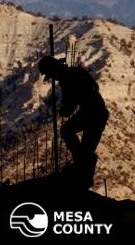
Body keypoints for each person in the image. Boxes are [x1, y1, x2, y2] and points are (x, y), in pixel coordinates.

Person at [38, 56, 109, 188]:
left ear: (54, 70)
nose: (53, 78)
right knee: (86, 149)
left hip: (92, 113)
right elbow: (94, 87)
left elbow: (69, 106)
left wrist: (63, 111)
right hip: (96, 112)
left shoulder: (67, 79)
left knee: (67, 131)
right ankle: (83, 174)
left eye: (51, 75)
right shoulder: (76, 72)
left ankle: (81, 172)